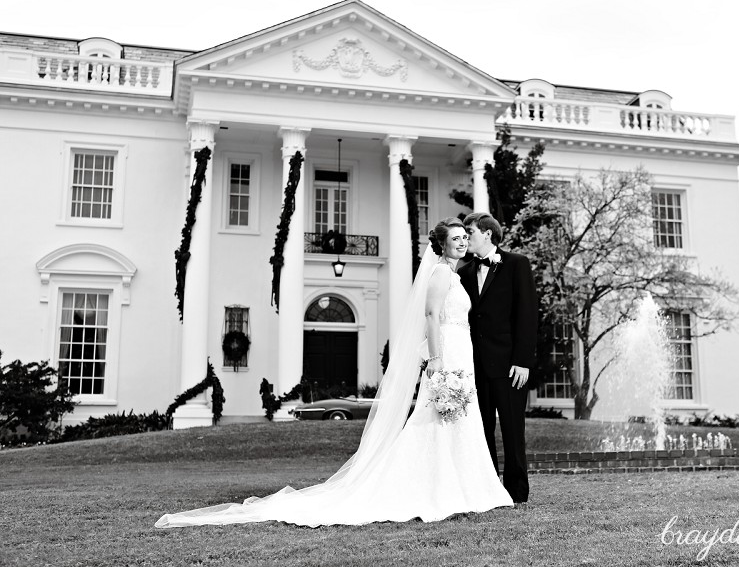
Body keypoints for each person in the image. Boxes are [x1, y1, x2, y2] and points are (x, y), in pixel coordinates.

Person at [155, 218, 512, 528]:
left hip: (461, 352)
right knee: (436, 418)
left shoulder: (452, 274)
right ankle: (435, 486)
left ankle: (463, 485)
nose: (463, 242)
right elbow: (432, 317)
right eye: (456, 239)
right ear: (442, 245)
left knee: (456, 419)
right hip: (446, 352)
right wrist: (435, 359)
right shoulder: (438, 274)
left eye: (465, 238)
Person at [458, 212, 538, 504]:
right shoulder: (464, 273)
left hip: (510, 365)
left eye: (471, 232)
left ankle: (517, 492)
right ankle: (489, 491)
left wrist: (523, 360)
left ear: (487, 234)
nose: (467, 238)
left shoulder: (517, 264)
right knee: (482, 431)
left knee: (513, 429)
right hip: (476, 367)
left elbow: (527, 315)